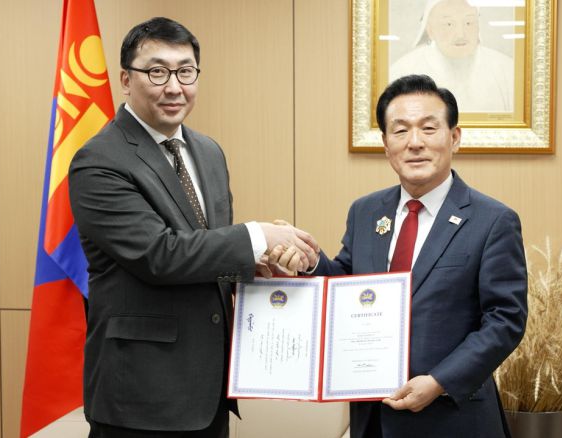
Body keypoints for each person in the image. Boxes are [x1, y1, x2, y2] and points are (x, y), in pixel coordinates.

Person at [68, 17, 317, 437]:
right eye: (157, 72)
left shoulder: (207, 151)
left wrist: (254, 265)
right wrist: (258, 236)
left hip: (210, 391)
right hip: (141, 397)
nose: (173, 87)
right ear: (126, 80)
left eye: (185, 71)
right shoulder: (99, 160)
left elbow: (203, 248)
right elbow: (159, 255)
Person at [288, 74, 527, 437]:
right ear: (386, 145)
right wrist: (309, 260)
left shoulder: (493, 220)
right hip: (374, 416)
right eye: (400, 131)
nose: (415, 142)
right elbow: (346, 286)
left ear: (455, 137)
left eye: (429, 128)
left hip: (452, 418)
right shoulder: (366, 211)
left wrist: (439, 381)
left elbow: (505, 319)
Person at [389, 0, 514, 113]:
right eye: (448, 24)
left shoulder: (506, 69)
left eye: (469, 23)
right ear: (430, 30)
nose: (460, 34)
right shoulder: (402, 71)